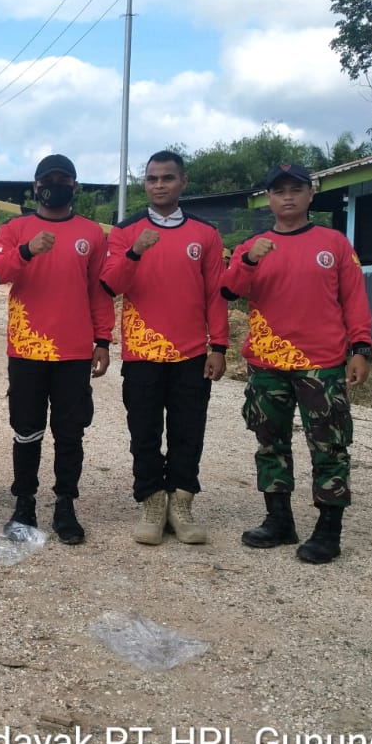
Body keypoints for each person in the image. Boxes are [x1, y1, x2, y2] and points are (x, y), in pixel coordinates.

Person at [220, 163, 372, 564]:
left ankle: (328, 529)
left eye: (296, 188)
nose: (287, 196)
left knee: (329, 444)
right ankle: (279, 519)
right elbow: (228, 290)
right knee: (270, 440)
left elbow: (354, 298)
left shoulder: (335, 244)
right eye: (278, 190)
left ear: (311, 194)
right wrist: (250, 260)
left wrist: (361, 348)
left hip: (321, 362)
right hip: (268, 362)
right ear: (267, 198)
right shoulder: (252, 246)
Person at [101, 150, 230, 546]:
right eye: (153, 178)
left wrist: (219, 346)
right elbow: (110, 285)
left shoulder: (205, 235)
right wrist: (136, 251)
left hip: (191, 352)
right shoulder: (126, 232)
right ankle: (152, 500)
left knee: (188, 430)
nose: (160, 185)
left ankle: (182, 501)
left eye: (168, 178)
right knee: (144, 430)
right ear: (145, 183)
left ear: (183, 182)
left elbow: (216, 294)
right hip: (142, 352)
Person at [0, 154, 113, 544]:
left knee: (70, 432)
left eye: (63, 179)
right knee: (26, 430)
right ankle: (24, 503)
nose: (54, 185)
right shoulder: (15, 227)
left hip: (74, 351)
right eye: (47, 179)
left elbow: (99, 291)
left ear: (74, 186)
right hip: (27, 348)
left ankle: (65, 504)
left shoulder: (92, 233)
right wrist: (26, 251)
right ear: (35, 186)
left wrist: (103, 340)